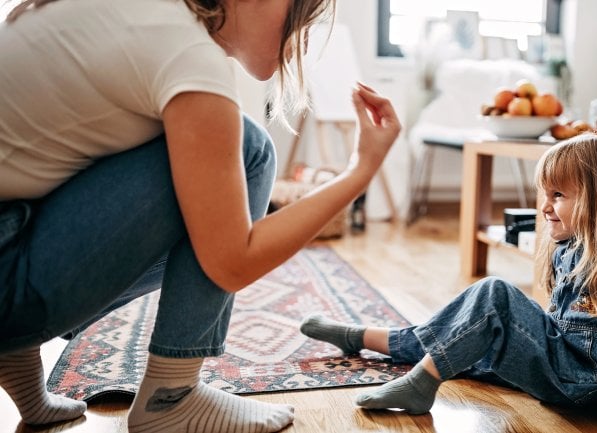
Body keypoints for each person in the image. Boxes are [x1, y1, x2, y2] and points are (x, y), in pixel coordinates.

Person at [0, 0, 401, 431]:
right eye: (302, 14)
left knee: (205, 173)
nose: (304, 35)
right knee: (249, 149)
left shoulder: (139, 13)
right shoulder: (185, 52)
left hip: (12, 233)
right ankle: (172, 398)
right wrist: (360, 171)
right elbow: (232, 262)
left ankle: (14, 352)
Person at [301, 134, 597, 433]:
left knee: (493, 294)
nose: (544, 207)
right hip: (561, 361)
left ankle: (421, 383)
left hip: (580, 379)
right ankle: (364, 337)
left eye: (558, 195)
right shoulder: (571, 247)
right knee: (461, 336)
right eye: (544, 194)